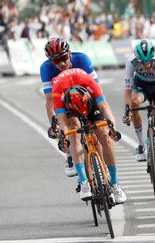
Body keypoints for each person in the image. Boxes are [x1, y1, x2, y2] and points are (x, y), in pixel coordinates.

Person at [52, 68, 127, 203]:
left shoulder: (89, 82)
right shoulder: (58, 91)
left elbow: (104, 106)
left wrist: (112, 129)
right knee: (73, 130)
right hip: (71, 110)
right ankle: (84, 181)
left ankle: (115, 184)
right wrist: (63, 136)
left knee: (104, 136)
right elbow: (62, 120)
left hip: (90, 104)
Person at [40, 37, 101, 177]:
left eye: (63, 57)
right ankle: (69, 154)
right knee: (71, 127)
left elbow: (97, 89)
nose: (61, 63)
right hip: (65, 100)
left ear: (70, 53)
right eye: (56, 61)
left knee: (99, 129)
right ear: (51, 61)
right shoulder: (46, 68)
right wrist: (54, 125)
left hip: (86, 96)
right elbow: (50, 101)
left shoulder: (82, 60)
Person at [122, 39, 155, 161]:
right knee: (134, 103)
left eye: (150, 61)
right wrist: (127, 110)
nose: (147, 65)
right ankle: (140, 144)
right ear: (137, 59)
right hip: (141, 85)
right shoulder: (131, 61)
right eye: (143, 62)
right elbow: (128, 90)